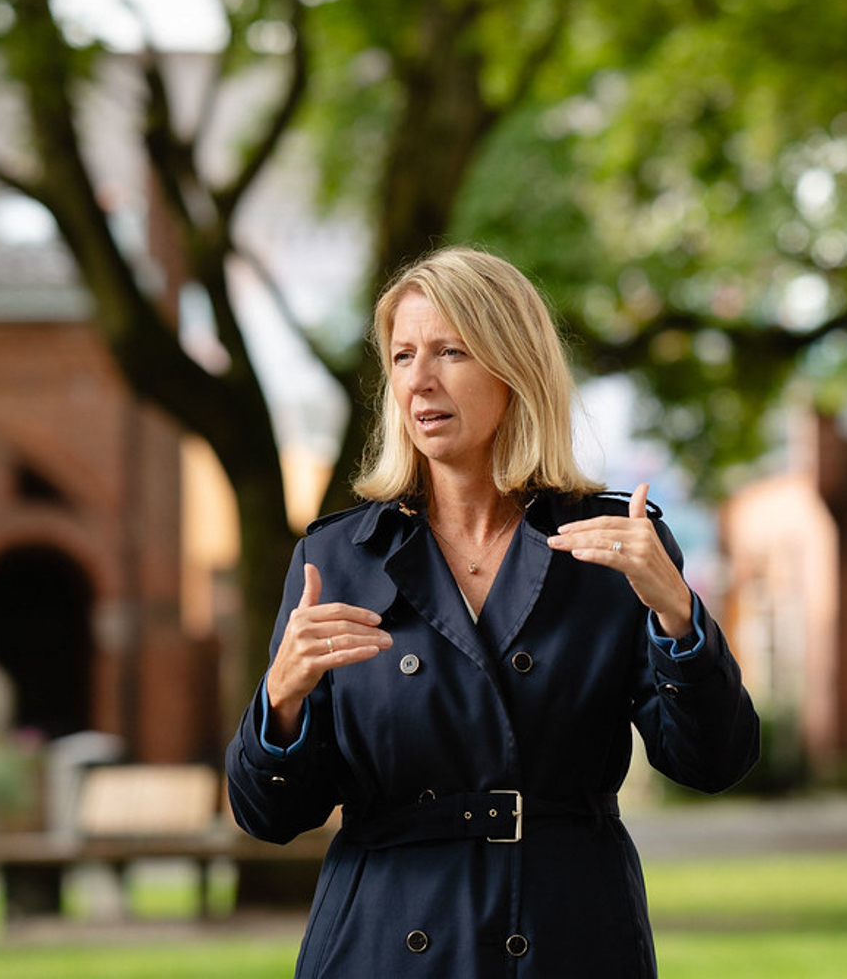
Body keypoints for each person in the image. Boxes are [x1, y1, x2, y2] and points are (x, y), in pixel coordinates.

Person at [226, 246, 760, 978]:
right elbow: (270, 816)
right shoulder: (338, 559)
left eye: (451, 351)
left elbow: (714, 763)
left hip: (567, 935)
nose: (420, 380)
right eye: (404, 355)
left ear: (515, 368)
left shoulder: (615, 545)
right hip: (383, 946)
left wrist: (677, 614)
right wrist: (280, 702)